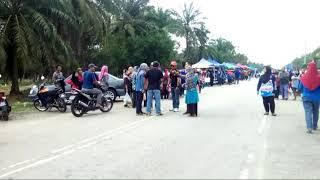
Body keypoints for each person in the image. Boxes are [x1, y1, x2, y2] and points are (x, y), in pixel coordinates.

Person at [299, 61, 320, 134]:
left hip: (306, 97)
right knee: (316, 112)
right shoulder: (319, 77)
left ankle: (309, 127)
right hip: (317, 98)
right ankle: (314, 126)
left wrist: (302, 93)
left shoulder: (303, 77)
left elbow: (300, 88)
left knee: (308, 112)